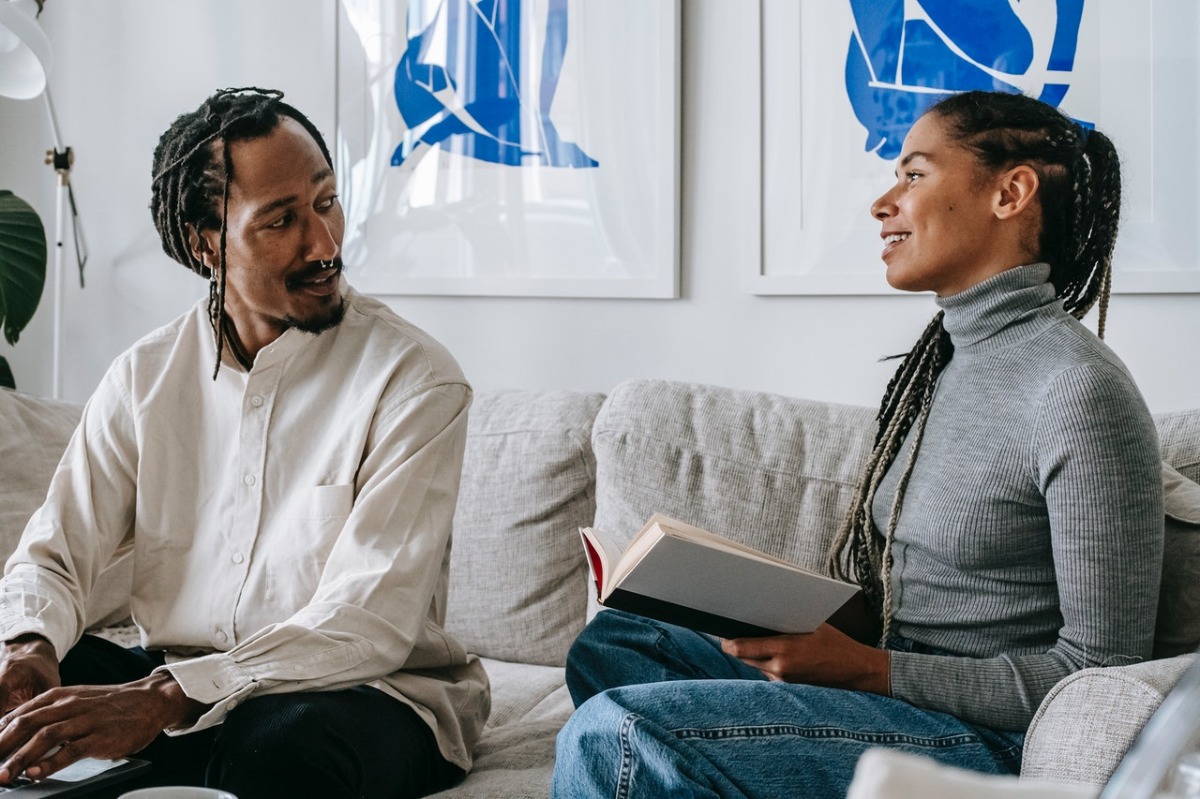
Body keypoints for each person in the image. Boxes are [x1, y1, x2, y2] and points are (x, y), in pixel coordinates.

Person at [552, 89, 1164, 797]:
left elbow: (1101, 674)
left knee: (619, 730)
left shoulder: (1078, 390)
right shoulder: (944, 366)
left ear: (1011, 192)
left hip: (992, 742)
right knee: (623, 639)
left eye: (913, 174)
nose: (883, 202)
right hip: (895, 689)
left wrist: (865, 669)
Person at [0, 87, 488, 798]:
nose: (324, 244)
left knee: (280, 750)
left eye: (325, 202)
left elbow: (366, 623)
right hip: (179, 684)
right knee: (26, 707)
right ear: (206, 243)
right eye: (282, 221)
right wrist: (28, 651)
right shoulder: (144, 376)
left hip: (362, 693)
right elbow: (54, 554)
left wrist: (164, 698)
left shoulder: (414, 380)